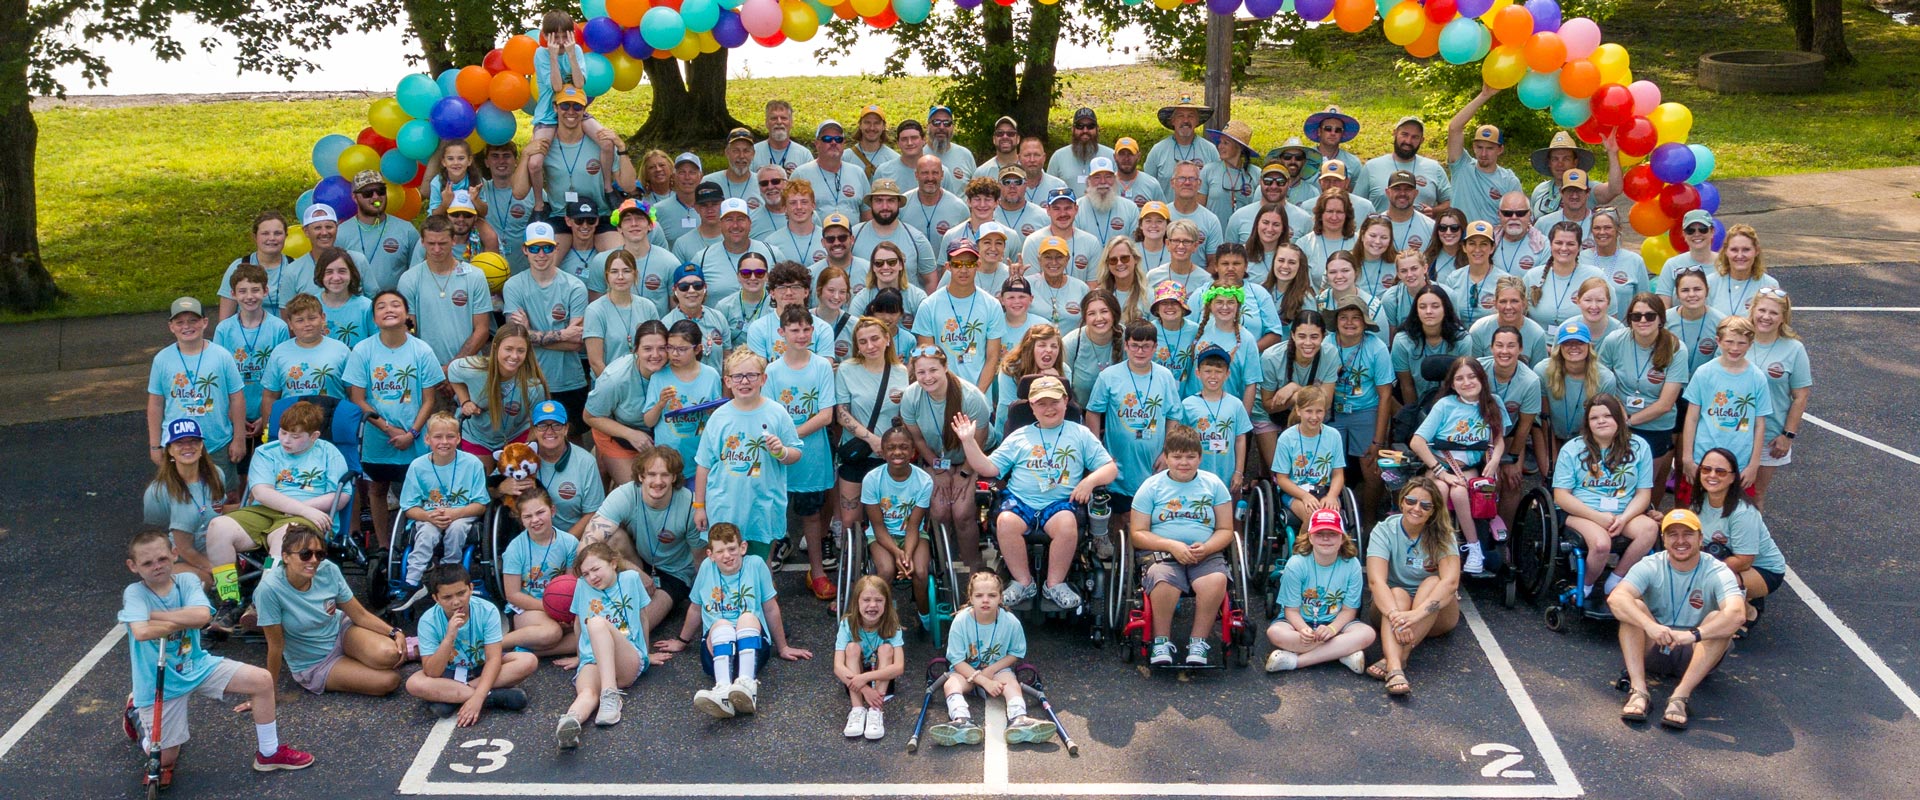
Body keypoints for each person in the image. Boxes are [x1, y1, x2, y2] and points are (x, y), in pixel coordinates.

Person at [121, 531, 313, 785]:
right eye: (147, 563)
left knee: (262, 680)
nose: (157, 566)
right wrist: (184, 618)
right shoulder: (135, 593)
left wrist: (154, 615)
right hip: (160, 680)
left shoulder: (186, 581)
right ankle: (136, 714)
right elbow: (141, 632)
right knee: (166, 758)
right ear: (133, 566)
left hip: (196, 664)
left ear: (174, 554)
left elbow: (202, 616)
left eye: (162, 559)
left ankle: (269, 753)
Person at [956, 376, 1118, 609]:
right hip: (1020, 501)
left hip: (1060, 503)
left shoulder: (1080, 434)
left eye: (1054, 402)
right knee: (1005, 521)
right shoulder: (1019, 436)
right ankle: (1023, 582)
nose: (1049, 408)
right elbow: (988, 468)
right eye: (1041, 403)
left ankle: (1054, 584)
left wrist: (1089, 482)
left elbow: (1110, 468)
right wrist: (969, 442)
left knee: (1066, 524)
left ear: (1065, 401)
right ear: (1032, 406)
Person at [202, 400, 351, 631]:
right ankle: (229, 599)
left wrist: (304, 510)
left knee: (284, 538)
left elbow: (341, 496)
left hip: (309, 516)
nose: (286, 440)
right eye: (283, 432)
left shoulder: (329, 453)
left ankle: (261, 602)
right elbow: (261, 492)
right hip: (267, 510)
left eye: (295, 436)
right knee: (217, 528)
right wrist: (300, 508)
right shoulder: (266, 452)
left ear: (314, 436)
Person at [658, 522, 812, 718]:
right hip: (717, 651)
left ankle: (747, 685)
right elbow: (696, 608)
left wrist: (783, 647)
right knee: (721, 624)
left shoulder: (755, 565)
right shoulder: (706, 568)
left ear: (743, 547)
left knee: (747, 617)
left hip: (752, 649)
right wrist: (682, 641)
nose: (727, 555)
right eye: (720, 551)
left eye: (732, 549)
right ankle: (722, 690)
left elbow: (771, 608)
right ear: (710, 555)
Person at [1609, 509, 1745, 730]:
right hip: (1655, 644)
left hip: (1695, 652)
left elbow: (1737, 614)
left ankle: (1680, 698)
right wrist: (1650, 626)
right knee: (1633, 608)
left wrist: (1692, 635)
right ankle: (1638, 691)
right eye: (1673, 534)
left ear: (1700, 539)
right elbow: (1616, 598)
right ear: (1664, 540)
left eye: (1688, 534)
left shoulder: (1718, 570)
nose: (1680, 541)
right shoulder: (1651, 564)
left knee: (1720, 619)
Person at [1128, 422, 1235, 666]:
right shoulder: (1151, 487)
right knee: (1163, 580)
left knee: (1215, 580)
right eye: (1177, 457)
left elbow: (1226, 529)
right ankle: (1161, 641)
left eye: (1190, 457)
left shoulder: (1214, 484)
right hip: (1162, 554)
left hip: (1204, 552)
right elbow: (1137, 533)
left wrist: (1208, 548)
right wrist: (1171, 545)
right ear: (1166, 458)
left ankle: (1198, 642)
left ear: (1200, 458)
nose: (1183, 462)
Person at [255, 524, 404, 697]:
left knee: (390, 654)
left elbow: (360, 615)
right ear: (286, 557)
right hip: (315, 662)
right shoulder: (269, 590)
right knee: (390, 681)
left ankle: (402, 648)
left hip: (340, 631)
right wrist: (267, 692)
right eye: (305, 554)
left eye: (319, 554)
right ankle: (364, 659)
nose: (314, 560)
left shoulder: (328, 569)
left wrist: (394, 632)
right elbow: (276, 646)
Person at [1550, 393, 1660, 610]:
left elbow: (1643, 494)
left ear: (1619, 418)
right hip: (1582, 512)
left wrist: (1624, 518)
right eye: (1594, 418)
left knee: (1649, 529)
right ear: (1587, 423)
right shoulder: (1572, 449)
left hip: (1624, 511)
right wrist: (1598, 517)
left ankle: (1616, 580)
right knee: (1601, 545)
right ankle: (1587, 585)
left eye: (1608, 416)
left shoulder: (1639, 447)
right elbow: (1561, 496)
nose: (1601, 421)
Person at [693, 348, 804, 561]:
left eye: (751, 375)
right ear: (727, 381)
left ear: (763, 379)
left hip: (762, 509)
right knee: (726, 564)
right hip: (724, 509)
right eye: (737, 376)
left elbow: (796, 452)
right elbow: (704, 464)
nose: (744, 381)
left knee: (760, 564)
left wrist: (781, 452)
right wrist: (699, 506)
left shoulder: (777, 413)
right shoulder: (718, 417)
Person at [763, 307, 840, 600]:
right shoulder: (772, 371)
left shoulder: (821, 367)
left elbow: (825, 415)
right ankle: (765, 577)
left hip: (811, 457)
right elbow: (766, 414)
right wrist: (782, 444)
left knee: (812, 516)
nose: (801, 335)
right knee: (773, 516)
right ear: (781, 333)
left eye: (806, 329)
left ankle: (817, 573)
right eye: (794, 330)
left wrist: (791, 437)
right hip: (778, 457)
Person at [1087, 321, 1186, 549]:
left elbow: (1173, 416)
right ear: (1126, 346)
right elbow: (1093, 412)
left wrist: (1167, 451)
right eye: (1135, 345)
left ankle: (1143, 557)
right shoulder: (1109, 376)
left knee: (1148, 516)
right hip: (1120, 462)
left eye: (1146, 346)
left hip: (1153, 463)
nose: (1140, 351)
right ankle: (1121, 556)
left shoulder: (1164, 376)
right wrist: (1098, 453)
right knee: (1122, 516)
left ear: (1155, 347)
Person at [930, 571, 1055, 746]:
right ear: (971, 598)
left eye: (992, 595)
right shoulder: (961, 621)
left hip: (996, 671)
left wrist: (991, 670)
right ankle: (961, 720)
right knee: (951, 684)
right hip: (967, 672)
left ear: (1000, 598)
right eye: (979, 596)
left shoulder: (1010, 622)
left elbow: (1016, 652)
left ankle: (1019, 718)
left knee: (1010, 682)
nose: (985, 600)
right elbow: (957, 661)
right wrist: (983, 681)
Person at [1363, 476, 1461, 697]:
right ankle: (1395, 668)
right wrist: (1397, 616)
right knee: (1397, 593)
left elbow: (1451, 582)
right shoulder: (1384, 530)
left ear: (1433, 511)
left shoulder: (1443, 534)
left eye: (1425, 505)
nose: (1417, 509)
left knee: (1433, 582)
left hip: (1432, 611)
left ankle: (1397, 658)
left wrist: (1416, 615)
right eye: (1411, 501)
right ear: (1401, 502)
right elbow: (1376, 581)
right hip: (1392, 609)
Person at [1409, 357, 1508, 576]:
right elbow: (1417, 442)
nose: (1467, 382)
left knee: (1460, 492)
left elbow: (1499, 439)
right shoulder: (1445, 405)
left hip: (1468, 466)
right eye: (1460, 378)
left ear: (1482, 378)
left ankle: (1474, 548)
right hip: (1440, 464)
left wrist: (1494, 460)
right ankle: (1435, 545)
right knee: (1441, 489)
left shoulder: (1493, 403)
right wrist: (1441, 473)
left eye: (1472, 377)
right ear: (1453, 385)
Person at [404, 564, 537, 725]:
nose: (456, 602)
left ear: (471, 588)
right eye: (447, 597)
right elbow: (432, 672)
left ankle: (453, 697)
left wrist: (477, 698)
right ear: (436, 598)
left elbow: (493, 659)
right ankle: (492, 697)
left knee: (528, 660)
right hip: (449, 672)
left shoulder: (487, 610)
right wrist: (449, 637)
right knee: (413, 683)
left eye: (461, 593)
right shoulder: (428, 621)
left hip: (482, 668)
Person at [899, 346, 993, 572]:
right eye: (921, 372)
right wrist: (939, 470)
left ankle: (973, 567)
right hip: (937, 457)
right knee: (940, 510)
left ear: (945, 367)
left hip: (972, 456)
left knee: (962, 512)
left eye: (933, 370)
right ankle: (945, 566)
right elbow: (917, 439)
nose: (927, 377)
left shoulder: (971, 397)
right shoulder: (911, 397)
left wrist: (965, 473)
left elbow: (979, 440)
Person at [554, 542, 654, 747]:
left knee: (596, 623)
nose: (592, 577)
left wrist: (646, 653)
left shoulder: (630, 579)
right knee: (587, 693)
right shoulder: (582, 586)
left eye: (596, 569)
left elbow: (643, 617)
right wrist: (580, 657)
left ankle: (611, 695)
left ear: (613, 563)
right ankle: (570, 722)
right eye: (586, 573)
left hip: (626, 657)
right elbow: (578, 624)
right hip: (593, 658)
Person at [1597, 294, 1686, 508]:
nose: (1643, 320)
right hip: (1616, 420)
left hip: (1655, 426)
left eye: (1650, 315)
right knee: (1612, 479)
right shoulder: (1614, 341)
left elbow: (1666, 404)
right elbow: (1601, 381)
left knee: (1645, 483)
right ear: (1629, 319)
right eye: (1636, 316)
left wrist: (1629, 421)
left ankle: (1641, 516)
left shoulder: (1676, 349)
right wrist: (1618, 414)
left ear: (1661, 318)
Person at [148, 296, 246, 491]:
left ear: (205, 322)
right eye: (180, 322)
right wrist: (155, 445)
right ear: (171, 326)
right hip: (177, 445)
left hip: (217, 442)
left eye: (193, 320)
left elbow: (237, 398)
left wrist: (239, 438)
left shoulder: (222, 356)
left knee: (224, 495)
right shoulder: (162, 359)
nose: (187, 326)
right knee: (180, 494)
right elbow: (156, 404)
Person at [524, 11, 618, 213]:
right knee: (535, 163)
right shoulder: (541, 54)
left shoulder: (575, 50)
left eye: (564, 36)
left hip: (573, 110)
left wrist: (571, 55)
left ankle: (608, 188)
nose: (560, 42)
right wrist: (552, 57)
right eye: (555, 37)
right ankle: (540, 203)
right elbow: (557, 87)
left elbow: (579, 83)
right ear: (545, 35)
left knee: (606, 143)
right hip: (549, 114)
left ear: (571, 35)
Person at [503, 221, 590, 432]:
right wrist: (563, 334)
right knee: (528, 438)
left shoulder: (575, 287)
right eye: (534, 248)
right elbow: (514, 339)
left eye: (547, 248)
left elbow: (576, 343)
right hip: (527, 379)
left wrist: (529, 335)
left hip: (568, 380)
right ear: (525, 250)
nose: (541, 254)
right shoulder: (513, 286)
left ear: (556, 248)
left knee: (572, 436)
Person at [1266, 508, 1374, 673]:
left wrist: (1332, 629)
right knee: (1275, 632)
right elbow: (1291, 611)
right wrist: (1303, 629)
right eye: (1319, 534)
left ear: (1342, 538)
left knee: (1367, 633)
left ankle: (1296, 661)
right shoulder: (1296, 564)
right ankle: (1341, 650)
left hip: (1336, 622)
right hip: (1300, 622)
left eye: (1332, 534)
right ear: (1310, 537)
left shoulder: (1352, 565)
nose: (1326, 539)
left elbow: (1349, 610)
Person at [1690, 447, 1785, 634]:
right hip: (1725, 560)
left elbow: (1744, 561)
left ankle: (1749, 612)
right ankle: (1743, 597)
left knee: (1709, 583)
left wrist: (1700, 572)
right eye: (1706, 469)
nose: (1712, 475)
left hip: (1763, 570)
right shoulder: (1698, 503)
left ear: (1733, 477)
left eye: (1720, 471)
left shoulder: (1742, 513)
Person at [395, 412, 488, 597]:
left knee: (456, 529)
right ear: (427, 439)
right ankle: (412, 581)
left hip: (462, 514)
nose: (444, 442)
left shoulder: (472, 464)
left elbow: (480, 505)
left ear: (458, 438)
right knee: (427, 533)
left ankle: (449, 573)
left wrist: (454, 514)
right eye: (438, 437)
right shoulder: (417, 466)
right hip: (430, 515)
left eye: (450, 436)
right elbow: (409, 507)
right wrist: (428, 516)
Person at [1679, 316, 1772, 486]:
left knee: (1734, 502)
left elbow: (1759, 424)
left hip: (1740, 460)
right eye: (1729, 342)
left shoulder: (1757, 378)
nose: (1735, 348)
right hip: (1703, 456)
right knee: (1697, 500)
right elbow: (1692, 418)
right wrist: (1687, 457)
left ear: (1750, 344)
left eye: (1741, 343)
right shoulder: (1704, 373)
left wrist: (1754, 464)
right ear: (1718, 341)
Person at [1327, 296, 1394, 521]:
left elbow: (1385, 394)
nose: (1349, 323)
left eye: (1356, 318)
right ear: (1336, 321)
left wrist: (1378, 441)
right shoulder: (1326, 344)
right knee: (1327, 464)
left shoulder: (1376, 348)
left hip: (1365, 410)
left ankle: (1369, 520)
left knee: (1372, 466)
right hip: (1332, 411)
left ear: (1365, 322)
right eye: (1343, 317)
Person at [861, 427, 935, 626]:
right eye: (891, 448)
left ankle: (925, 616)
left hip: (913, 534)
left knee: (920, 572)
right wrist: (896, 553)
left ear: (913, 451)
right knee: (885, 571)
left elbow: (913, 525)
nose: (897, 452)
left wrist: (906, 555)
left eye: (903, 447)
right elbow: (877, 526)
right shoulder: (872, 480)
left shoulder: (924, 481)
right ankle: (884, 619)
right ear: (883, 452)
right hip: (882, 535)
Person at [398, 214, 494, 367]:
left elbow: (482, 329)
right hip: (426, 367)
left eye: (442, 243)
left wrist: (451, 367)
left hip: (467, 367)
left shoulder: (474, 276)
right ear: (422, 242)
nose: (436, 249)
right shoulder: (409, 279)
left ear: (453, 240)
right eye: (431, 243)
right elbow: (409, 326)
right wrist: (427, 365)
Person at [1743, 288, 1809, 508]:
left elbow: (1800, 396)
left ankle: (1753, 532)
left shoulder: (1794, 349)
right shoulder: (1737, 339)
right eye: (1762, 310)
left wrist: (1787, 435)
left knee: (1755, 495)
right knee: (1722, 493)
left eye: (1773, 313)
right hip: (1731, 431)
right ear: (1752, 310)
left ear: (1783, 317)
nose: (1766, 317)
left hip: (1769, 436)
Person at [584, 317, 668, 486]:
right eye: (647, 349)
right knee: (637, 488)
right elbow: (590, 416)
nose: (655, 355)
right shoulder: (615, 378)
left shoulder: (675, 370)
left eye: (662, 348)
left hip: (658, 435)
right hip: (618, 433)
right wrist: (630, 435)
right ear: (635, 349)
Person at [497, 485, 581, 655]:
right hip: (527, 608)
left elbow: (571, 584)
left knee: (586, 633)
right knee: (552, 632)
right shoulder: (515, 549)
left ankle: (529, 652)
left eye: (540, 512)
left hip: (560, 606)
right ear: (521, 520)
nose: (535, 520)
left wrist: (565, 613)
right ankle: (495, 646)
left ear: (552, 511)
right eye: (528, 516)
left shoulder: (569, 543)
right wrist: (550, 609)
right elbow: (513, 595)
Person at [912, 239, 1006, 390]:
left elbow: (992, 358)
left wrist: (977, 396)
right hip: (940, 394)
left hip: (979, 395)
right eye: (957, 264)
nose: (963, 270)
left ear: (978, 265)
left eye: (969, 264)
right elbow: (928, 359)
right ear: (948, 267)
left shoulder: (992, 305)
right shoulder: (928, 306)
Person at [213, 263, 291, 444]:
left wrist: (266, 416)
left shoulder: (279, 328)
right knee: (238, 457)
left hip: (268, 410)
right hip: (233, 412)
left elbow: (282, 374)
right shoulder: (224, 329)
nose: (249, 296)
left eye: (255, 290)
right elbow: (219, 375)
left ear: (265, 291)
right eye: (242, 291)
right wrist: (233, 414)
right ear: (233, 294)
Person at [144, 418, 226, 584]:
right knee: (200, 581)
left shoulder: (217, 475)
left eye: (193, 441)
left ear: (201, 446)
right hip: (177, 558)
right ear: (170, 450)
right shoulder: (157, 490)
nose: (187, 447)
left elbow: (221, 509)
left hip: (216, 550)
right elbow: (153, 534)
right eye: (179, 443)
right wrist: (215, 570)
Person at [508, 400, 605, 536]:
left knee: (618, 537)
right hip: (529, 535)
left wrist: (564, 543)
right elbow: (488, 489)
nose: (549, 431)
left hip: (573, 536)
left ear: (566, 429)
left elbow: (592, 512)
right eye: (542, 425)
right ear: (534, 430)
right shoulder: (519, 455)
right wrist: (501, 487)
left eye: (556, 425)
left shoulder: (586, 462)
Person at [1259, 315, 1339, 477]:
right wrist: (1303, 397)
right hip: (1269, 412)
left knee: (1304, 471)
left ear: (1323, 337)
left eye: (1314, 337)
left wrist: (1296, 391)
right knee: (1279, 472)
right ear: (1293, 335)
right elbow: (1268, 405)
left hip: (1308, 411)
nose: (1308, 343)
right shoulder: (1271, 357)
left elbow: (1325, 403)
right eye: (1302, 336)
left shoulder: (1330, 353)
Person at [1535, 320, 1618, 473]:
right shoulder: (1542, 371)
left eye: (1579, 342)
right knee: (1551, 473)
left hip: (1588, 436)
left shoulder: (1606, 378)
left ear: (1589, 346)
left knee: (1583, 475)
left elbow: (1602, 423)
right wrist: (1553, 459)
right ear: (1559, 347)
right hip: (1550, 433)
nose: (1573, 347)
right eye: (1567, 343)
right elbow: (1544, 418)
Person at [836, 574, 907, 741]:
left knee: (886, 649)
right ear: (857, 602)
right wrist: (864, 688)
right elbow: (838, 667)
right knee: (852, 648)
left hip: (882, 678)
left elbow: (899, 667)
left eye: (879, 600)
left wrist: (865, 678)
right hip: (853, 680)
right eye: (866, 600)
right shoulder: (847, 624)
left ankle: (876, 710)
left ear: (887, 603)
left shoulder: (892, 624)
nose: (873, 605)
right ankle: (857, 709)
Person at [1269, 384, 1345, 531]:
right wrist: (1305, 496)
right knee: (1313, 516)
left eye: (1319, 411)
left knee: (1331, 517)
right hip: (1295, 492)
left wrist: (1331, 496)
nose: (1314, 417)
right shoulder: (1287, 438)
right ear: (1298, 410)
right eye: (1309, 411)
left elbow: (1338, 474)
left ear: (1325, 411)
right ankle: (1303, 544)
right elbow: (1282, 479)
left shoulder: (1333, 436)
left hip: (1325, 490)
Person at [338, 170, 422, 297]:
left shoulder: (407, 230)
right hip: (356, 304)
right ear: (355, 198)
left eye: (381, 191)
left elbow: (417, 272)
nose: (376, 197)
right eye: (368, 193)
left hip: (395, 304)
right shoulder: (341, 232)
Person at [1445, 89, 1523, 227]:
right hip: (1458, 236)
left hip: (1492, 238)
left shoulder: (1509, 180)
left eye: (1490, 148)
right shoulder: (1461, 166)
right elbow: (1454, 128)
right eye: (1479, 147)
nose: (1483, 153)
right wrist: (1484, 95)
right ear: (1473, 147)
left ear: (1500, 150)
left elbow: (1517, 217)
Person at [261, 295, 352, 411]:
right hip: (291, 421)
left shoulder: (341, 351)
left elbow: (352, 393)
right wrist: (267, 423)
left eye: (312, 318)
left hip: (333, 419)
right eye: (300, 320)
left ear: (323, 318)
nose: (307, 324)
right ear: (290, 324)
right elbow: (270, 397)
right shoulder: (279, 353)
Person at [1525, 222, 1605, 329]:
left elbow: (1609, 318)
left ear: (1579, 247)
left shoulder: (1596, 276)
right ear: (1550, 245)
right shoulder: (1532, 276)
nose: (1564, 248)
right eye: (1558, 243)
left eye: (1570, 244)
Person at [1191, 286, 1264, 405]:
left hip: (1227, 408)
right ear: (1210, 306)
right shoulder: (1199, 330)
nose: (1225, 307)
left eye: (1230, 302)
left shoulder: (1247, 339)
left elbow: (1251, 383)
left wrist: (1244, 415)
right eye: (1219, 302)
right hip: (1193, 406)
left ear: (1238, 306)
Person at [1529, 130, 1622, 219]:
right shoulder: (1539, 190)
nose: (1560, 164)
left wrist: (1612, 153)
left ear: (1575, 162)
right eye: (1555, 159)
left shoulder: (1586, 187)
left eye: (1566, 159)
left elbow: (1614, 190)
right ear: (1549, 163)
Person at [217, 211, 291, 320]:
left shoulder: (295, 267)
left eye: (277, 233)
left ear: (286, 236)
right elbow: (224, 320)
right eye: (265, 233)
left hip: (287, 329)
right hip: (246, 330)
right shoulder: (238, 267)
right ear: (255, 237)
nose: (272, 238)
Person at [792, 119, 872, 220]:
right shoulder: (801, 174)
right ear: (817, 144)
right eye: (827, 139)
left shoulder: (858, 173)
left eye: (838, 139)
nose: (833, 142)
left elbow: (867, 213)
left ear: (843, 143)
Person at [1579, 209, 1647, 321]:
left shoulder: (1635, 261)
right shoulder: (1580, 258)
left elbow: (1645, 303)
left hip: (1623, 328)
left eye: (1607, 227)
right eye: (1597, 228)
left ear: (1618, 229)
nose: (1602, 232)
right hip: (1586, 328)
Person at [1468, 275, 1549, 366]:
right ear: (1495, 303)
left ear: (1524, 303)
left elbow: (1538, 370)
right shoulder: (1479, 330)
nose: (1508, 307)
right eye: (1503, 301)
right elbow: (1473, 368)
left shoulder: (1537, 334)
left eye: (1514, 301)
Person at [1063, 290, 1125, 407]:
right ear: (1085, 318)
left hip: (1122, 411)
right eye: (1092, 313)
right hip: (1081, 411)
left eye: (1104, 311)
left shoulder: (1127, 338)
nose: (1099, 318)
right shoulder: (1071, 343)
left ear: (1114, 313)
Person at [1709, 224, 1781, 317]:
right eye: (1734, 250)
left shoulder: (1769, 285)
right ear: (1726, 251)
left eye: (1746, 250)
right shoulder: (1710, 283)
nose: (1740, 255)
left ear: (1756, 251)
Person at [311, 245, 375, 348]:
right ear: (321, 274)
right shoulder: (311, 306)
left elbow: (376, 342)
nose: (336, 278)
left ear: (351, 274)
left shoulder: (366, 307)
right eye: (329, 272)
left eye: (342, 271)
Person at [1202, 120, 1260, 225]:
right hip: (1214, 233)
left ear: (1240, 147)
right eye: (1220, 142)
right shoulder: (1208, 171)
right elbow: (1199, 208)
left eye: (1226, 143)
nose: (1220, 146)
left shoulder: (1256, 174)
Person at [1301, 105, 1365, 198]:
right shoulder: (1303, 158)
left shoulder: (1354, 163)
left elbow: (1356, 194)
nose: (1333, 133)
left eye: (1338, 130)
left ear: (1342, 134)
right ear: (1319, 131)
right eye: (1328, 128)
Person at [1656, 210, 1721, 301]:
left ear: (1712, 231)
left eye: (1703, 229)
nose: (1697, 234)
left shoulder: (1726, 263)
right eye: (1690, 230)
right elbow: (1663, 305)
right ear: (1684, 234)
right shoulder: (1671, 265)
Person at [1144, 219, 1213, 302]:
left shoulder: (1205, 281)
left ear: (1195, 246)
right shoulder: (1153, 276)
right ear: (1167, 244)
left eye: (1186, 241)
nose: (1181, 246)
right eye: (1176, 241)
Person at [1297, 190, 1358, 283]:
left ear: (1347, 215)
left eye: (1339, 212)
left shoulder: (1359, 242)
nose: (1334, 217)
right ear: (1320, 214)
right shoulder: (1304, 244)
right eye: (1329, 211)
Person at [1164, 162, 1226, 254]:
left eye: (1192, 179)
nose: (1187, 182)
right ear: (1172, 183)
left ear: (1199, 184)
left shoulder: (1211, 221)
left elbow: (1213, 260)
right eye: (1182, 178)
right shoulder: (1162, 216)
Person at [1077, 157, 1143, 242]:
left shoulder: (1130, 208)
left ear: (1115, 179)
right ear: (1088, 181)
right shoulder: (1076, 208)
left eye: (1108, 177)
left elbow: (1135, 244)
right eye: (1097, 177)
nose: (1103, 181)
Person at [1047, 106, 1114, 187]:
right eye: (1080, 126)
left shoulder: (1111, 156)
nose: (1085, 130)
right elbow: (1049, 188)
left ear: (1097, 129)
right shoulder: (1058, 157)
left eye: (1090, 126)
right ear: (1073, 129)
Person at [1149, 279, 1199, 388]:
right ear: (1157, 308)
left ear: (1183, 307)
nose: (1169, 306)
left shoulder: (1195, 330)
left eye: (1174, 302)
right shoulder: (1148, 330)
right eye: (1164, 303)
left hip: (1187, 393)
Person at [1533, 169, 1597, 246]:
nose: (1574, 196)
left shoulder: (1599, 225)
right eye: (1570, 190)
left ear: (1588, 193)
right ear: (1561, 192)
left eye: (1579, 191)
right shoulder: (1543, 224)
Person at [655, 154, 706, 245]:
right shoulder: (658, 210)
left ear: (701, 176)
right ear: (674, 176)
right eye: (682, 172)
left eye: (692, 172)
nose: (687, 177)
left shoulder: (711, 209)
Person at [1492, 190, 1547, 275]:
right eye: (1507, 213)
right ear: (1499, 214)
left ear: (1530, 214)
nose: (1514, 217)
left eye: (1520, 213)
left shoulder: (1543, 245)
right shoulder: (1488, 242)